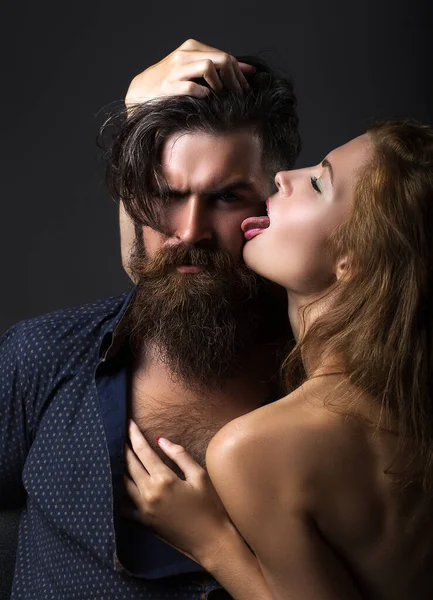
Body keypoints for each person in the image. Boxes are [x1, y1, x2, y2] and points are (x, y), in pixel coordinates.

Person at [0, 40, 301, 599]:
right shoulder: (43, 356)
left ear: (275, 200)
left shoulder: (330, 377)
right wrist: (135, 113)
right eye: (166, 194)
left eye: (228, 196)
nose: (189, 231)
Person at [124, 118, 433, 599]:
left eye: (318, 182)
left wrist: (210, 541)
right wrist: (138, 111)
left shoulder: (257, 448)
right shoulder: (405, 405)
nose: (284, 178)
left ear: (353, 258)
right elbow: (160, 265)